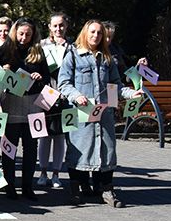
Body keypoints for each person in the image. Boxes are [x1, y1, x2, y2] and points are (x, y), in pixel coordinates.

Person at [58, 20, 140, 208]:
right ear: (85, 33)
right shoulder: (73, 55)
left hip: (103, 115)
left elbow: (116, 85)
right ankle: (76, 189)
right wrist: (76, 96)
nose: (96, 36)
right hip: (80, 113)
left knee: (107, 150)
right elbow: (64, 83)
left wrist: (131, 93)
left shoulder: (107, 59)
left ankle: (107, 190)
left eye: (99, 33)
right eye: (92, 32)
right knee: (78, 151)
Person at [0, 19, 50, 200]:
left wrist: (40, 76)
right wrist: (3, 69)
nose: (24, 38)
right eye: (21, 34)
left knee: (31, 147)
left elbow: (47, 77)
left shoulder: (38, 51)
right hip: (12, 102)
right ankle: (9, 184)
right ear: (15, 32)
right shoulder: (7, 49)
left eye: (28, 34)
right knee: (10, 146)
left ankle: (27, 186)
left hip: (33, 103)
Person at [37, 11, 72, 189]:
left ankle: (56, 174)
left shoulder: (72, 47)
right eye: (55, 25)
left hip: (66, 96)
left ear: (66, 26)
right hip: (46, 94)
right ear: (49, 27)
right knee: (44, 135)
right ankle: (43, 172)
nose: (58, 29)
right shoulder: (41, 45)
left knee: (60, 136)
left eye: (61, 25)